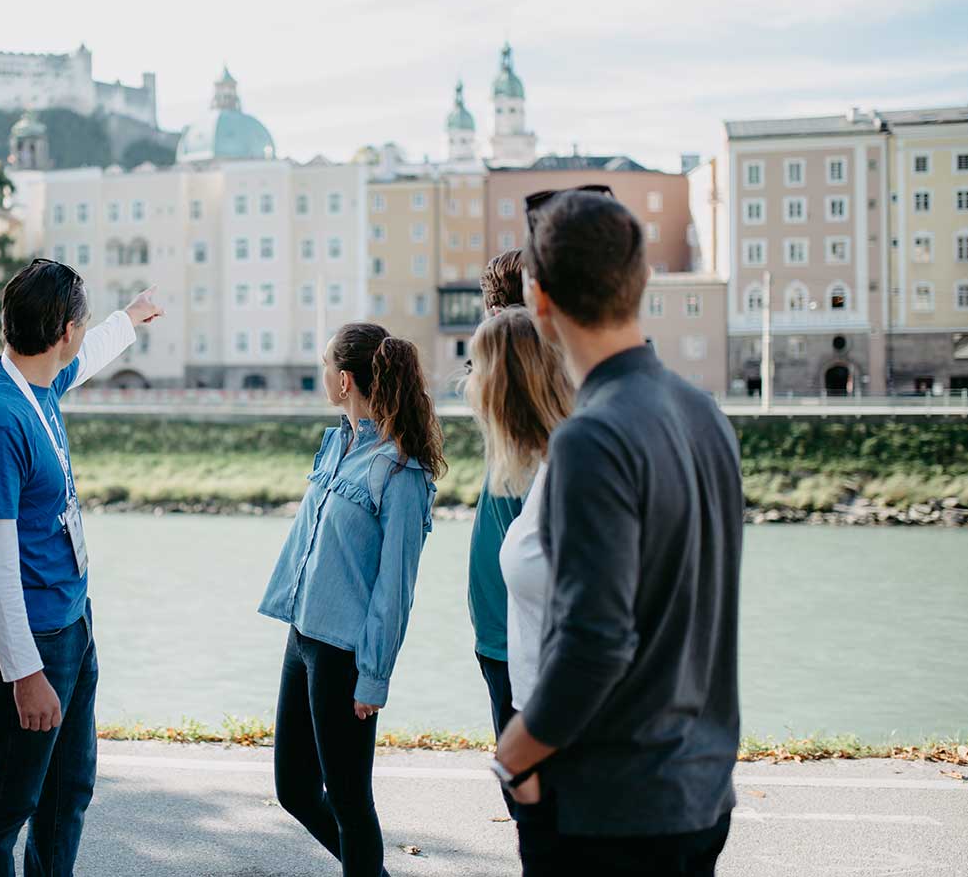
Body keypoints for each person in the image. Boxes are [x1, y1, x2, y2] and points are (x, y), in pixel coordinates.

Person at [490, 190, 743, 875]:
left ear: (536, 299)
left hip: (610, 808)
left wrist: (512, 757)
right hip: (700, 788)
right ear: (639, 284)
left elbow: (593, 644)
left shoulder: (589, 437)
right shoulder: (701, 411)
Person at [0, 259, 162, 877]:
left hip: (70, 620)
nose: (85, 333)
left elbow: (89, 357)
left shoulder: (37, 380)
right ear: (64, 330)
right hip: (32, 644)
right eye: (86, 321)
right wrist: (24, 674)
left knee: (66, 794)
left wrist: (130, 318)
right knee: (5, 807)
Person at [258, 323, 444, 877]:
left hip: (344, 654)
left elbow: (396, 587)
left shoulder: (400, 471)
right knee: (293, 788)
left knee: (349, 802)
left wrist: (374, 676)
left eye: (323, 366)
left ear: (343, 379)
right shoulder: (337, 443)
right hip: (303, 636)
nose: (321, 376)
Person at [466, 248, 529, 814]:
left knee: (533, 803)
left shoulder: (548, 442)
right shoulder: (508, 423)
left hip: (521, 644)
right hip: (498, 634)